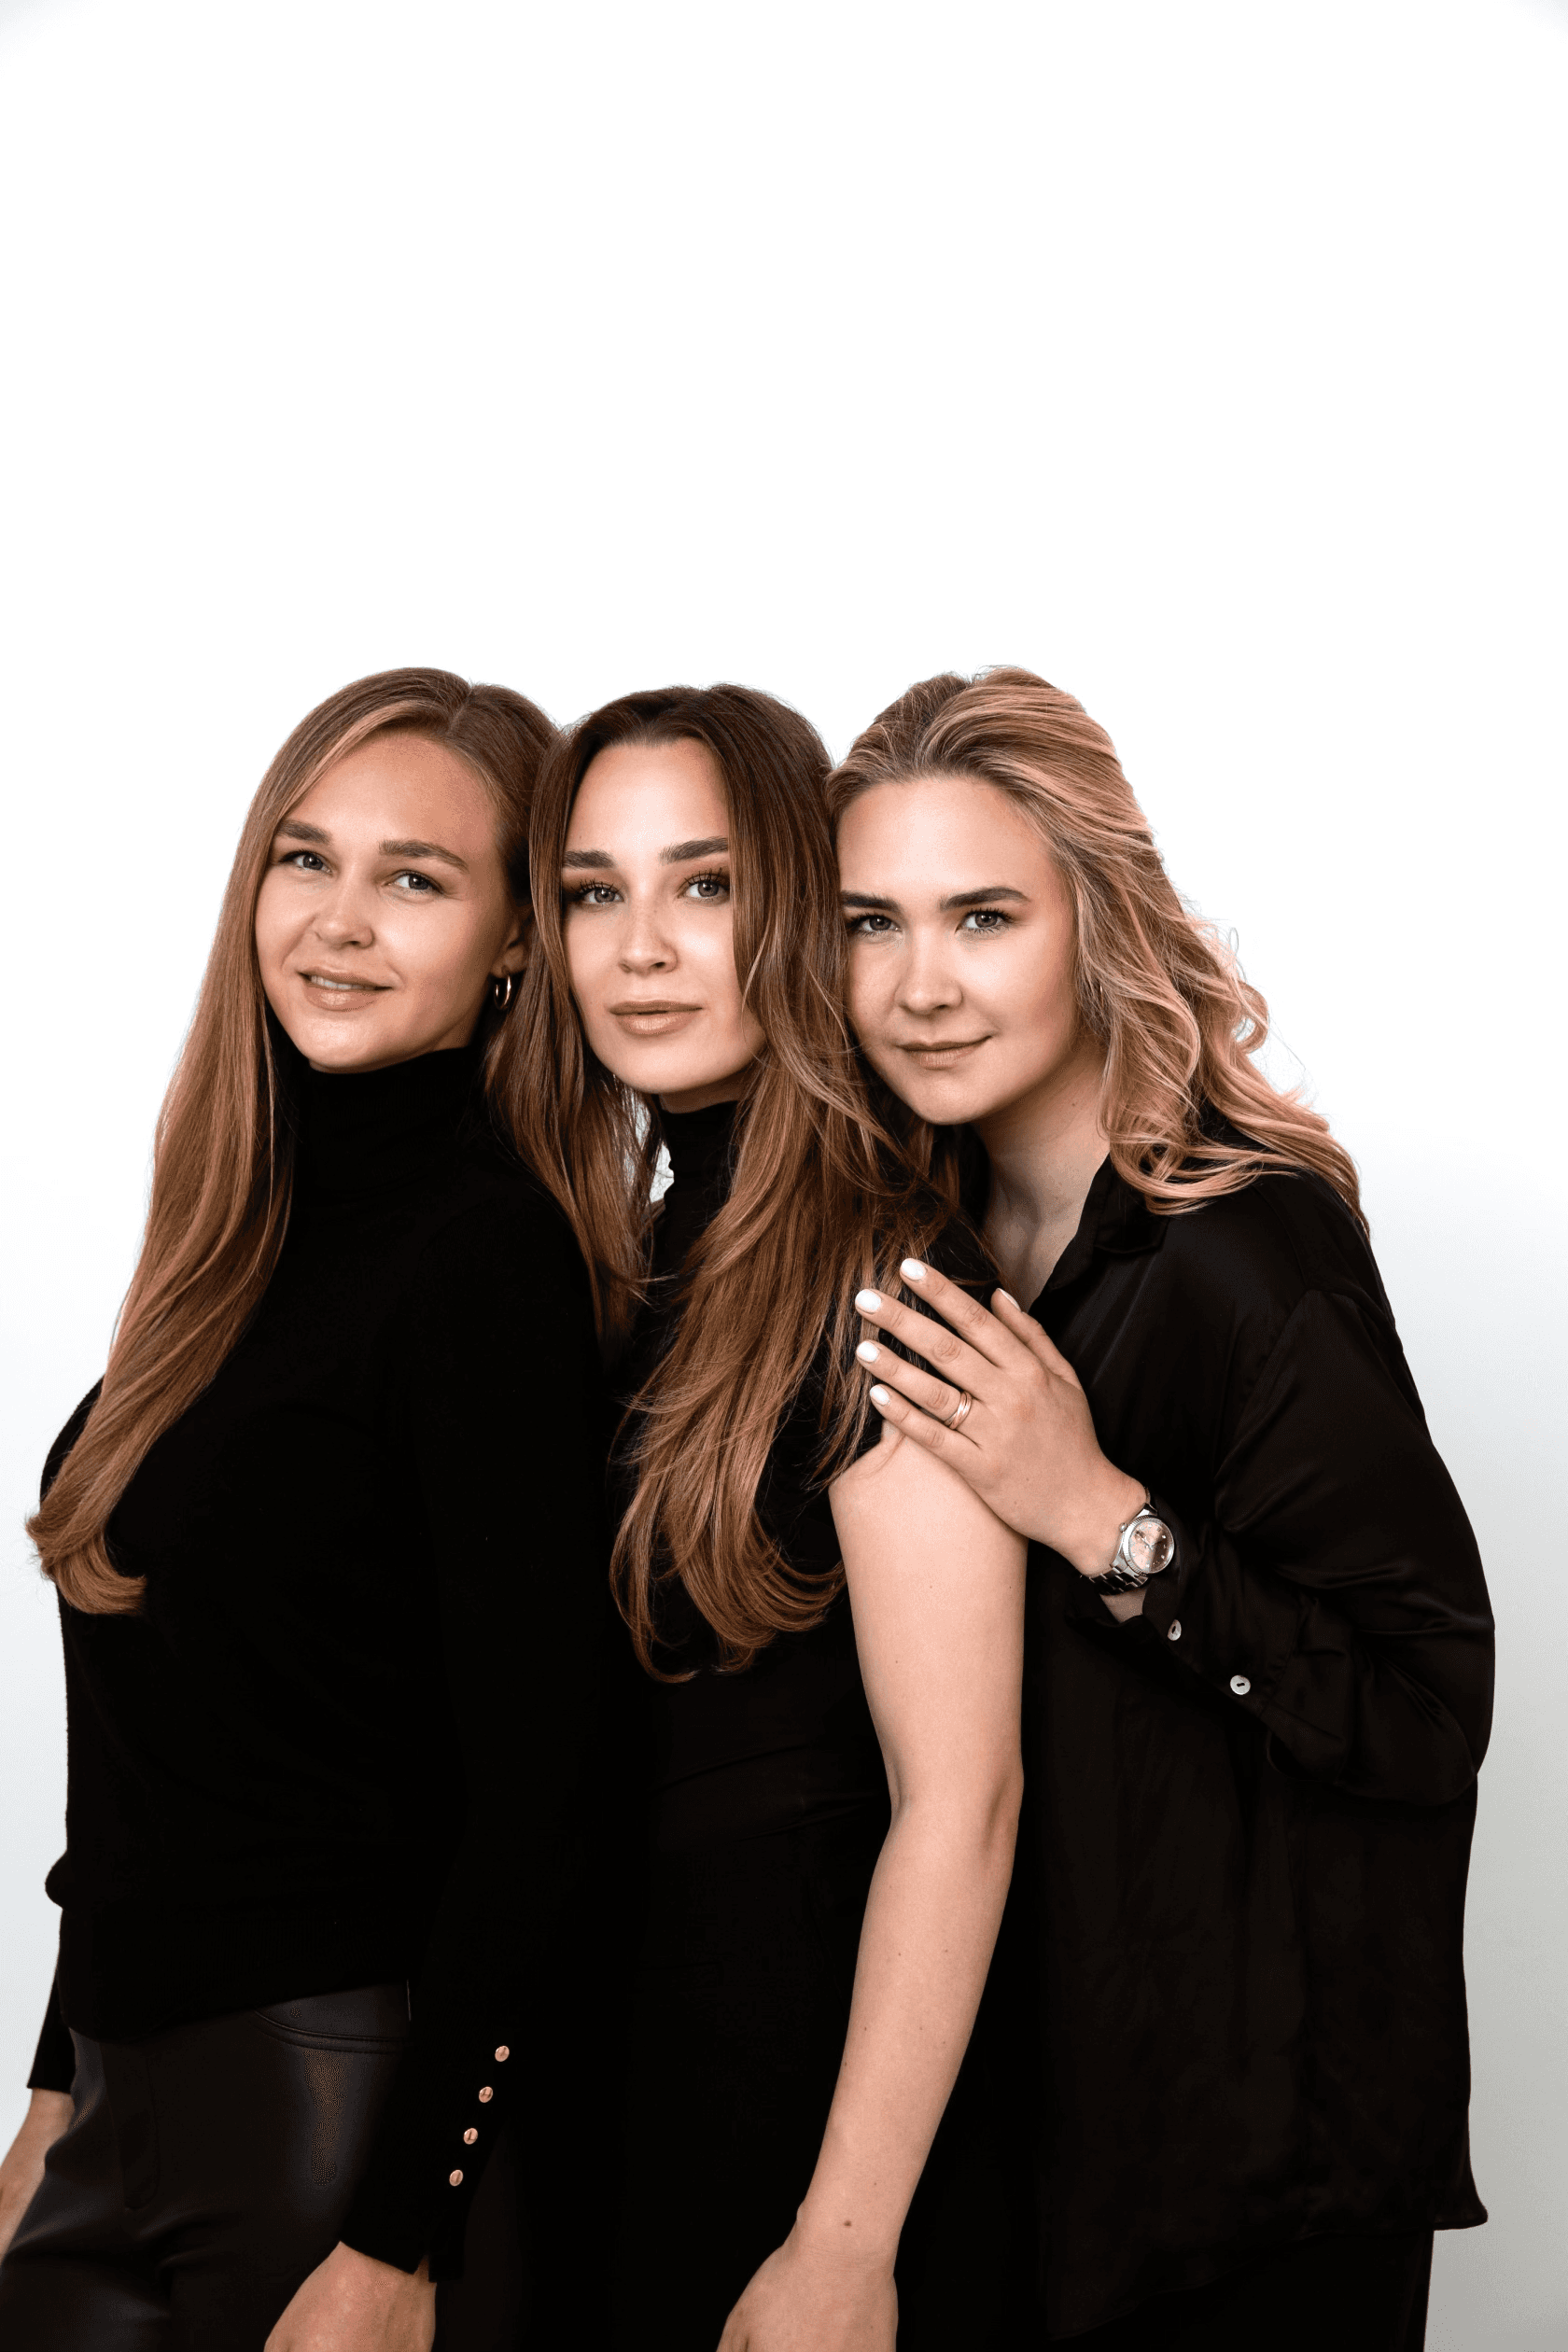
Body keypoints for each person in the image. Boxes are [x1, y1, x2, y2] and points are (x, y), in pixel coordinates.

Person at [826, 666, 1494, 2351]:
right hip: (1050, 2143)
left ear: (1096, 920)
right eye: (870, 923)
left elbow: (1427, 1715)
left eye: (983, 917)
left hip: (1256, 2179)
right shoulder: (932, 1242)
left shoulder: (1247, 1249)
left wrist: (1104, 1518)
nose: (919, 986)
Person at [0, 669, 609, 2352]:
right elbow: (150, 1751)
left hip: (325, 2113)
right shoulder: (227, 1243)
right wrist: (52, 2091)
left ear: (513, 938)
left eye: (415, 877)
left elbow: (541, 1795)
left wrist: (398, 2239)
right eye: (305, 857)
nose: (339, 921)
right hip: (112, 2101)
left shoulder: (485, 1257)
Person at [490, 684, 1029, 2351]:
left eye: (704, 884)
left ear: (795, 902)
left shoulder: (889, 1269)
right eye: (595, 891)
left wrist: (843, 2244)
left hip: (789, 2099)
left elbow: (964, 1798)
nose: (642, 947)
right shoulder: (644, 1251)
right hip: (623, 2067)